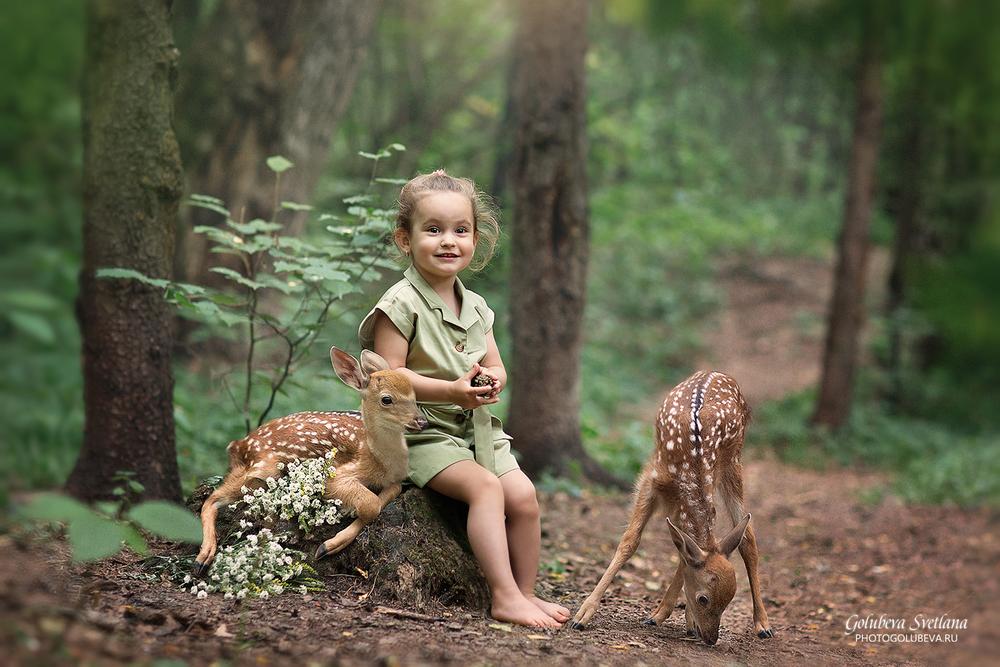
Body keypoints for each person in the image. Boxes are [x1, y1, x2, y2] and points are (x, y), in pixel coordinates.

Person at [358, 170, 570, 628]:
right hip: (423, 431)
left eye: (461, 230)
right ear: (405, 238)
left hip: (476, 430)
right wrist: (452, 391)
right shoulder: (399, 305)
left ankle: (527, 591)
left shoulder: (475, 305)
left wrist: (492, 382)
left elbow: (496, 364)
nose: (448, 241)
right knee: (486, 489)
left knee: (525, 497)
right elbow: (390, 381)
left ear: (476, 238)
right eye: (432, 230)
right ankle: (504, 595)